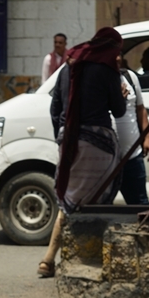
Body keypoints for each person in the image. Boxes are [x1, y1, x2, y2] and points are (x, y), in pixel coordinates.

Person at [38, 27, 126, 278]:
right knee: (100, 195)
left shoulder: (68, 68)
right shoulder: (108, 71)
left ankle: (48, 260)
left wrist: (64, 137)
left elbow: (55, 109)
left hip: (68, 141)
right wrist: (120, 92)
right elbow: (119, 112)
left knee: (69, 200)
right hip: (98, 145)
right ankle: (92, 256)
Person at [115, 52, 149, 205]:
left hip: (132, 155)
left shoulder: (130, 77)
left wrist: (147, 138)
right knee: (100, 208)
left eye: (118, 54)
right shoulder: (95, 80)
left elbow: (140, 109)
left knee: (140, 204)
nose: (117, 58)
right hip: (106, 160)